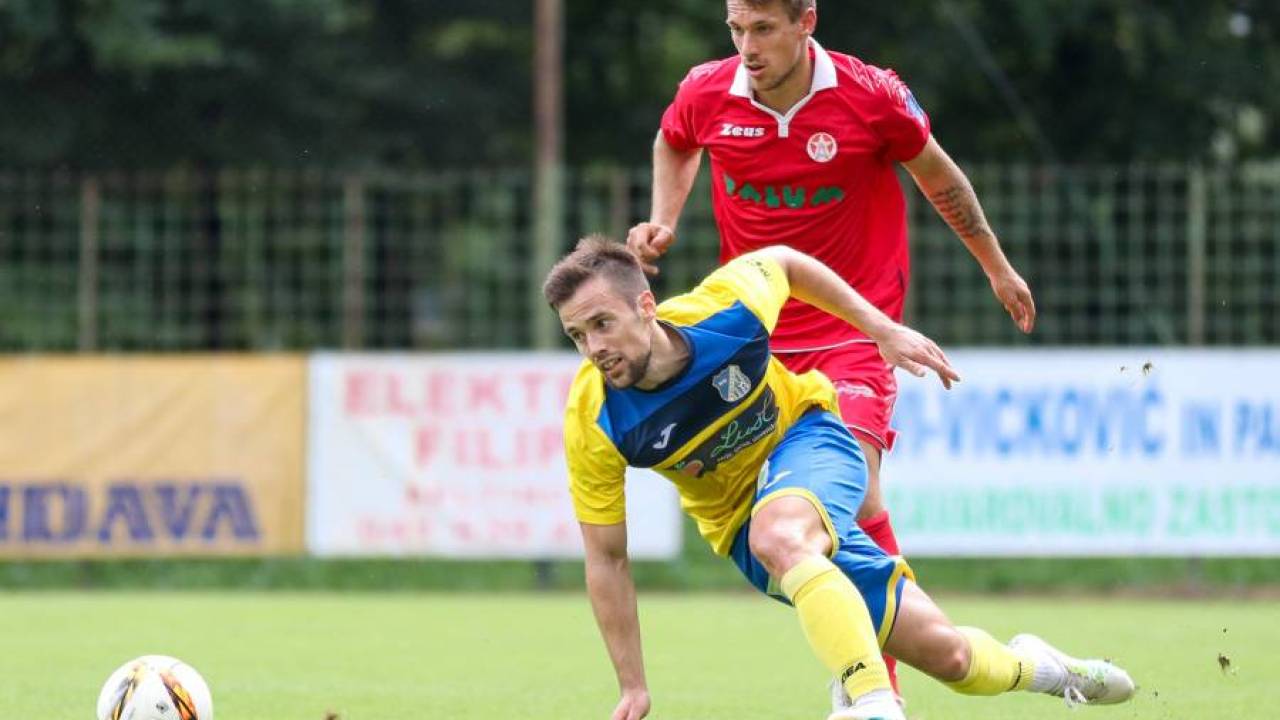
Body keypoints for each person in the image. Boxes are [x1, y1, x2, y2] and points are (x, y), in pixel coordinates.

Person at [628, 0, 1037, 698]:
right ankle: (907, 663)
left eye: (763, 28)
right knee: (806, 525)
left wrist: (996, 267)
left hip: (855, 330)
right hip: (754, 340)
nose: (747, 46)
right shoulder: (708, 91)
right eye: (736, 29)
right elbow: (675, 141)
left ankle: (877, 688)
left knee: (855, 489)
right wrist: (663, 218)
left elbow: (939, 176)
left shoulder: (870, 95)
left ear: (806, 21)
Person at [544, 237, 1132, 720]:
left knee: (778, 533)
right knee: (951, 658)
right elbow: (607, 558)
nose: (594, 347)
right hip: (741, 525)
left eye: (603, 323)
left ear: (646, 306)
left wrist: (881, 327)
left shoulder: (725, 309)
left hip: (809, 441)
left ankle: (871, 700)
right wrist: (632, 685)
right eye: (577, 335)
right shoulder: (595, 418)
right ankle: (1046, 668)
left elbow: (785, 261)